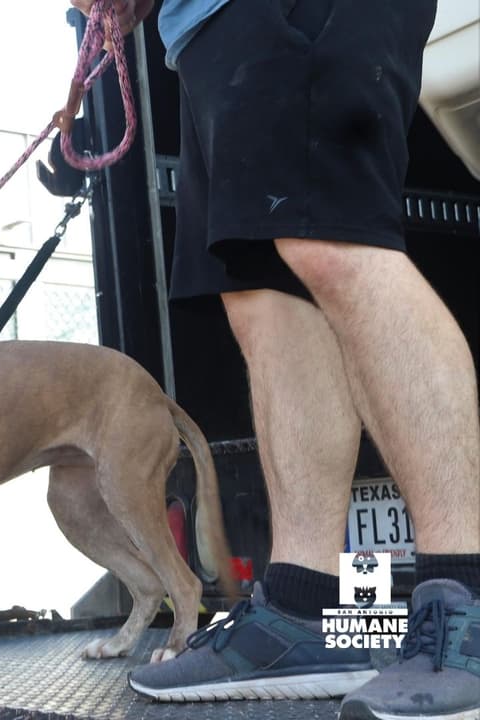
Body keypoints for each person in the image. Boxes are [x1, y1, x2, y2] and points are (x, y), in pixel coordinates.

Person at [68, 1, 480, 716]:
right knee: (262, 292)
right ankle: (303, 610)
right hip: (203, 29)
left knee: (334, 240)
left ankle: (466, 596)